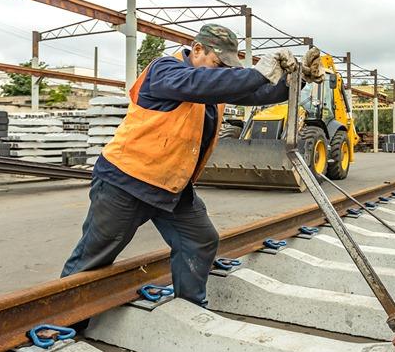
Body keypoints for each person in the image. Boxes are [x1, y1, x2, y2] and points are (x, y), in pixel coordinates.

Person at [61, 24, 323, 309]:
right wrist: (259, 71)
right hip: (127, 181)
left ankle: (190, 307)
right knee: (95, 255)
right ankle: (59, 322)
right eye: (217, 63)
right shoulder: (165, 70)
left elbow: (257, 93)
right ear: (197, 49)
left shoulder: (213, 82)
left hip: (172, 186)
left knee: (199, 240)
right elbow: (201, 83)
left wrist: (297, 80)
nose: (222, 71)